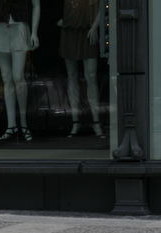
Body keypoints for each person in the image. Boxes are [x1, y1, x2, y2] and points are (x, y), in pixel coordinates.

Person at [0, 0, 41, 141]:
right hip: (1, 28)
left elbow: (36, 5)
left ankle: (23, 123)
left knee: (18, 77)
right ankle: (11, 125)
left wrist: (34, 33)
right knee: (7, 79)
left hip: (20, 28)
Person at [59, 0, 105, 139]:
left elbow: (102, 7)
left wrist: (95, 26)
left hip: (87, 31)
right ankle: (75, 121)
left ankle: (96, 121)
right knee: (72, 75)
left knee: (91, 75)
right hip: (69, 30)